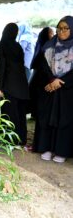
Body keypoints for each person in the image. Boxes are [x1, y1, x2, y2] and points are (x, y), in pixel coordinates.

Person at [32, 16, 73, 163]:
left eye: (65, 28)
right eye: (59, 28)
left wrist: (60, 82)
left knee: (64, 119)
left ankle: (61, 151)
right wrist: (51, 79)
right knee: (46, 117)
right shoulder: (49, 45)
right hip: (49, 88)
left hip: (67, 90)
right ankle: (46, 148)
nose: (61, 31)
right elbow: (42, 66)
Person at [0, 23, 29, 147]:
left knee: (8, 112)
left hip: (8, 84)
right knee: (20, 113)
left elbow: (1, 66)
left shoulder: (0, 46)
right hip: (21, 84)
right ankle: (21, 139)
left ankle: (9, 140)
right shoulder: (18, 46)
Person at [28, 26, 54, 120]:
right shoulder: (46, 46)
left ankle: (35, 113)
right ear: (46, 35)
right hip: (42, 75)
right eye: (51, 33)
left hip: (38, 74)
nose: (53, 35)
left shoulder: (40, 43)